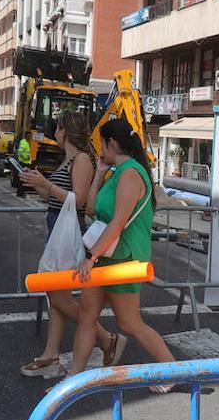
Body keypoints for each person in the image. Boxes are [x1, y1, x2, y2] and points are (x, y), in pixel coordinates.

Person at [65, 118, 176, 393]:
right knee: (88, 316)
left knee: (129, 322)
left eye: (100, 144)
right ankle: (71, 383)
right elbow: (92, 210)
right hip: (105, 257)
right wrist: (99, 173)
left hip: (123, 260)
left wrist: (90, 258)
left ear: (111, 143)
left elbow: (117, 222)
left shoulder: (130, 173)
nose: (98, 149)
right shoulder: (117, 171)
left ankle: (172, 372)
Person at [18, 111, 126, 378]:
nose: (54, 131)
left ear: (65, 131)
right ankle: (51, 354)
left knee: (57, 294)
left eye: (57, 127)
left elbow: (77, 201)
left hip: (68, 230)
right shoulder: (68, 159)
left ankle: (106, 338)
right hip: (57, 226)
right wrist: (36, 184)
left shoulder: (81, 160)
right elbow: (56, 197)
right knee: (56, 294)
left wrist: (45, 183)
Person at [15, 130, 32, 197]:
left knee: (23, 179)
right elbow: (21, 152)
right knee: (22, 179)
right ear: (25, 136)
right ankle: (20, 193)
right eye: (28, 136)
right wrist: (26, 158)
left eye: (30, 136)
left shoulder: (27, 142)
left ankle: (20, 192)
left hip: (26, 163)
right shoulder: (23, 142)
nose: (29, 137)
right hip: (23, 163)